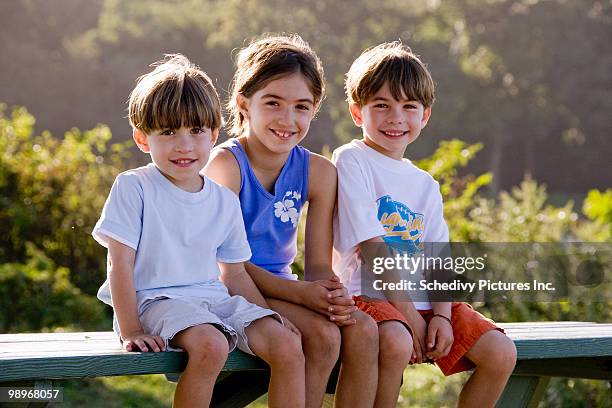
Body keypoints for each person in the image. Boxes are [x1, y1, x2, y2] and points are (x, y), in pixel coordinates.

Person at [92, 54, 305, 408]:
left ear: (214, 135)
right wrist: (130, 329)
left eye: (196, 131)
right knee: (211, 345)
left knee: (286, 344)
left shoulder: (222, 200)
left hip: (212, 299)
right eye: (168, 132)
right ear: (143, 139)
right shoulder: (134, 187)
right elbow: (119, 265)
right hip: (154, 302)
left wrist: (270, 315)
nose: (184, 145)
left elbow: (234, 273)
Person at [332, 42, 517, 408]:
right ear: (357, 112)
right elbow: (372, 248)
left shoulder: (425, 183)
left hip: (425, 304)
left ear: (425, 115)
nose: (395, 117)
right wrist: (407, 315)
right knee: (397, 342)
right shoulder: (352, 159)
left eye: (408, 107)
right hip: (368, 298)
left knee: (500, 352)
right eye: (381, 105)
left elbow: (439, 260)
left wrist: (443, 318)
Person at [205, 34, 379, 408]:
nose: (288, 119)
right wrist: (301, 294)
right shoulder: (225, 166)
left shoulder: (317, 171)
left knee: (362, 328)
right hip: (225, 291)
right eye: (273, 103)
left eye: (302, 107)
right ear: (243, 103)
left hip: (281, 287)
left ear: (314, 110)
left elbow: (317, 264)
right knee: (323, 338)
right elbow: (226, 268)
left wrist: (331, 296)